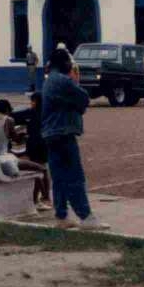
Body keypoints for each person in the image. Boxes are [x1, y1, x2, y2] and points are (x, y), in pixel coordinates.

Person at [42, 47, 107, 228]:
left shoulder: (50, 81)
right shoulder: (62, 80)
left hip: (51, 133)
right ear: (64, 63)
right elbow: (84, 99)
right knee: (74, 175)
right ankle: (85, 216)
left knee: (59, 177)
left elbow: (77, 103)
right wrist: (75, 81)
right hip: (63, 132)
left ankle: (61, 216)